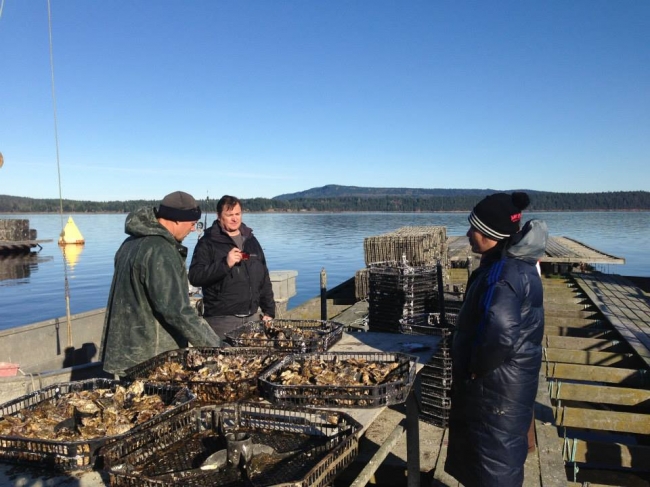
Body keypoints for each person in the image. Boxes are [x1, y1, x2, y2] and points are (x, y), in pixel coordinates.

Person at [444, 192, 548, 487]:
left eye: (473, 228)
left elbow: (500, 329)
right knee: (500, 456)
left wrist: (476, 367)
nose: (467, 234)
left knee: (493, 463)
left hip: (496, 386)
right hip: (511, 381)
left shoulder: (502, 273)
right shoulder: (516, 264)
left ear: (490, 235)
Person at [100, 191, 223, 376]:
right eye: (191, 224)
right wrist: (217, 346)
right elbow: (177, 311)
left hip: (124, 354)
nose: (193, 229)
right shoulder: (161, 250)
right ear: (176, 220)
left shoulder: (130, 242)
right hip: (151, 359)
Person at [189, 195, 275, 338]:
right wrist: (225, 264)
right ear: (219, 216)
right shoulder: (207, 242)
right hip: (221, 321)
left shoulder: (251, 240)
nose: (235, 219)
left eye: (237, 214)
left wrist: (269, 311)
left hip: (253, 318)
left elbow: (264, 277)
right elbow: (195, 276)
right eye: (229, 215)